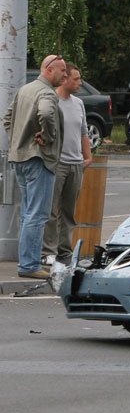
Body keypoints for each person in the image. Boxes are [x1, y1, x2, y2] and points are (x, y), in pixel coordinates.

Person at [3, 54, 67, 279]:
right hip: (39, 159)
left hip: (20, 158)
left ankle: (27, 261)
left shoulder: (25, 89)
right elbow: (47, 113)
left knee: (28, 214)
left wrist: (19, 139)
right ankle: (29, 265)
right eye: (62, 71)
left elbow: (7, 119)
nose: (65, 75)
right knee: (37, 215)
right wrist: (47, 137)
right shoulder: (46, 93)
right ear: (48, 70)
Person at [42, 62, 93, 266]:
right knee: (52, 210)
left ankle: (65, 251)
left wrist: (87, 157)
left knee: (69, 211)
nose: (80, 82)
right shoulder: (51, 100)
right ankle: (49, 251)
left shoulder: (78, 103)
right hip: (57, 163)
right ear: (65, 80)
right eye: (76, 79)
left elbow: (83, 132)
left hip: (76, 164)